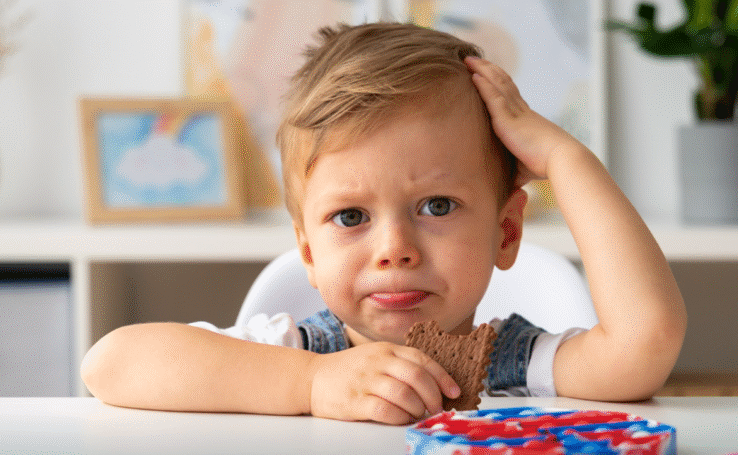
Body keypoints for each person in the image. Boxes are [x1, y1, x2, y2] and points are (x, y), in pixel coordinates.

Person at [81, 22, 686, 424]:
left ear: (506, 233)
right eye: (350, 217)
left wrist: (564, 159)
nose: (395, 249)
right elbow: (110, 364)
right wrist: (312, 385)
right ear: (310, 254)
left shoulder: (511, 363)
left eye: (437, 206)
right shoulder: (297, 353)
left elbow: (644, 343)